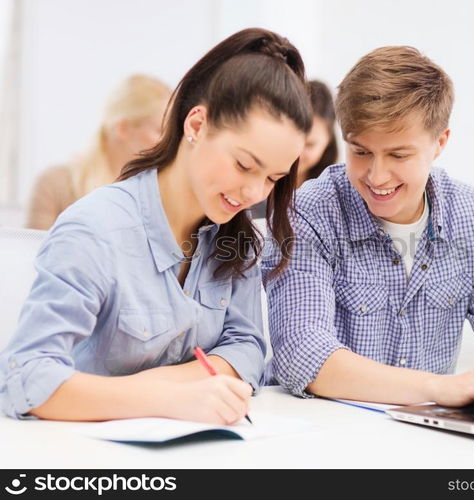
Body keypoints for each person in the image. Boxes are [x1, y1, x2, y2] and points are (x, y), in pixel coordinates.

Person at [0, 28, 312, 424]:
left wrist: (183, 388)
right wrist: (162, 397)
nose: (253, 192)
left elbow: (247, 346)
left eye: (271, 179)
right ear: (196, 126)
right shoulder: (96, 229)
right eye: (244, 165)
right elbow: (25, 377)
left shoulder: (236, 239)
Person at [262, 46, 474, 407]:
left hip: (426, 438)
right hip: (322, 433)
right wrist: (436, 389)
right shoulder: (310, 211)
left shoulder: (470, 213)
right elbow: (302, 355)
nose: (377, 176)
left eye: (399, 155)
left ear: (440, 143)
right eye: (361, 151)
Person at [25, 74, 171, 230]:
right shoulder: (54, 184)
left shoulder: (161, 193)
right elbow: (33, 251)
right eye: (160, 131)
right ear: (122, 128)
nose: (169, 142)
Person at [250, 80, 337, 219]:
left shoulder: (334, 197)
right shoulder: (250, 186)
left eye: (309, 144)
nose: (297, 153)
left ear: (328, 142)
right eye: (291, 139)